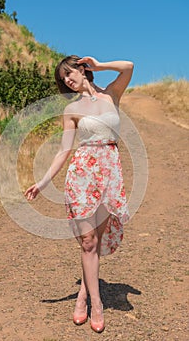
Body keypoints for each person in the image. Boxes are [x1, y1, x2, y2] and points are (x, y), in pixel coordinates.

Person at [25, 55, 134, 333]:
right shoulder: (71, 109)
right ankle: (96, 304)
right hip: (83, 175)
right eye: (63, 80)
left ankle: (84, 294)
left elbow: (129, 67)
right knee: (87, 241)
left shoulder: (111, 95)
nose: (68, 80)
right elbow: (64, 150)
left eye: (69, 73)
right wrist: (43, 182)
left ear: (81, 68)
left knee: (96, 241)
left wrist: (98, 66)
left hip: (109, 172)